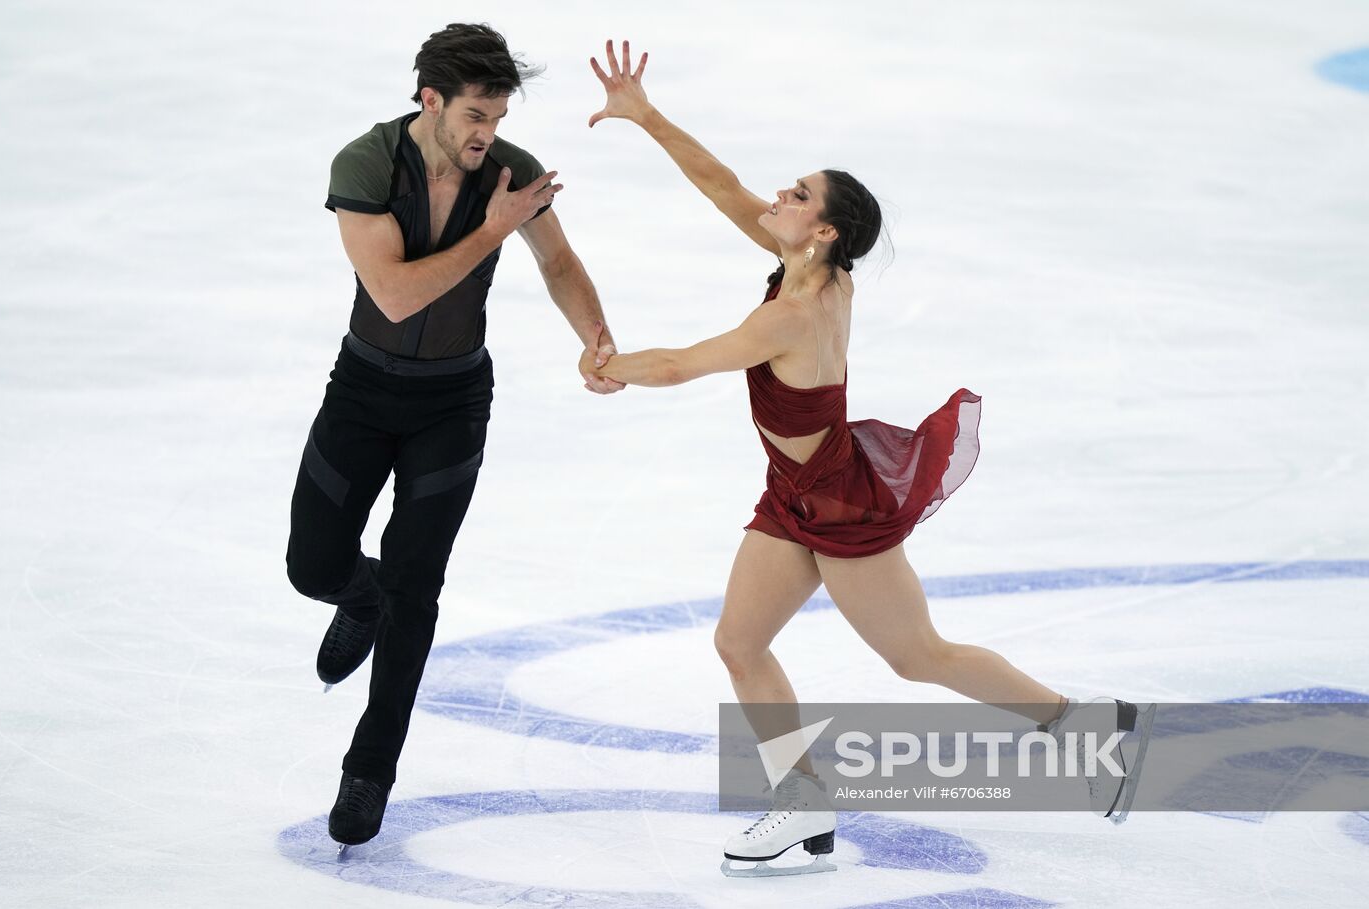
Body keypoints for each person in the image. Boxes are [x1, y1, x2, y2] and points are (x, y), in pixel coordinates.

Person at [583, 40, 1156, 875]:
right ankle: (802, 802)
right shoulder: (814, 266)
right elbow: (721, 186)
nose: (777, 194)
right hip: (794, 491)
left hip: (840, 502)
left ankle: (1086, 728)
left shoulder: (795, 311)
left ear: (823, 230)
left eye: (798, 194)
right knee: (740, 641)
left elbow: (679, 364)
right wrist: (646, 115)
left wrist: (606, 365)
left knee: (918, 656)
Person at [285, 23, 625, 852]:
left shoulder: (507, 171)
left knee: (417, 591)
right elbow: (396, 295)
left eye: (499, 114)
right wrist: (495, 226)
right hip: (363, 389)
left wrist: (595, 334)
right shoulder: (365, 165)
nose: (488, 132)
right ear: (430, 99)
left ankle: (371, 769)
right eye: (476, 113)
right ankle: (355, 595)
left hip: (453, 401)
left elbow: (558, 261)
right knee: (313, 567)